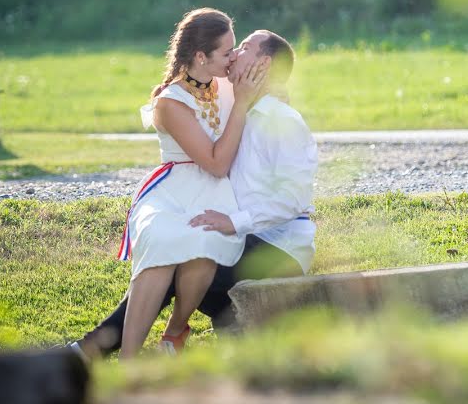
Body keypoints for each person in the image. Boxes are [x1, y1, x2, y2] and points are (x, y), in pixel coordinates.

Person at [70, 29, 318, 359]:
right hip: (239, 234)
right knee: (172, 244)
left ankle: (99, 347)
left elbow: (294, 198)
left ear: (264, 63)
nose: (233, 55)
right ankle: (117, 345)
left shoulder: (282, 121)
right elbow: (195, 85)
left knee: (182, 255)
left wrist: (234, 221)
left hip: (276, 247)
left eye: (242, 48)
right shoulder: (235, 103)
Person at [116, 8, 268, 359]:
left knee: (203, 244)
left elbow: (272, 84)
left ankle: (174, 331)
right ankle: (128, 360)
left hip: (215, 193)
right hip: (173, 190)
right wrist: (242, 104)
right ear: (201, 56)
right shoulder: (171, 101)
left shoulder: (228, 83)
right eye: (227, 52)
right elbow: (215, 163)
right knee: (160, 246)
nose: (233, 59)